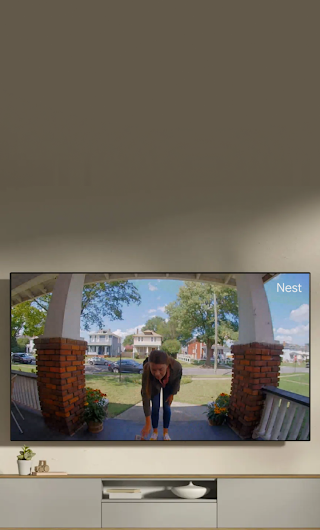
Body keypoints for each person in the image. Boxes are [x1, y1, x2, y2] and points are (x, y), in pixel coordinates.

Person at [140, 350, 182, 441]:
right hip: (154, 384)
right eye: (153, 370)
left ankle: (165, 433)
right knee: (155, 407)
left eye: (160, 369)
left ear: (167, 366)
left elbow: (176, 383)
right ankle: (155, 432)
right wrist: (148, 423)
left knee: (166, 407)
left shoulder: (177, 367)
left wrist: (172, 394)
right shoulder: (147, 370)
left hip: (168, 384)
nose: (157, 373)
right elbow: (145, 395)